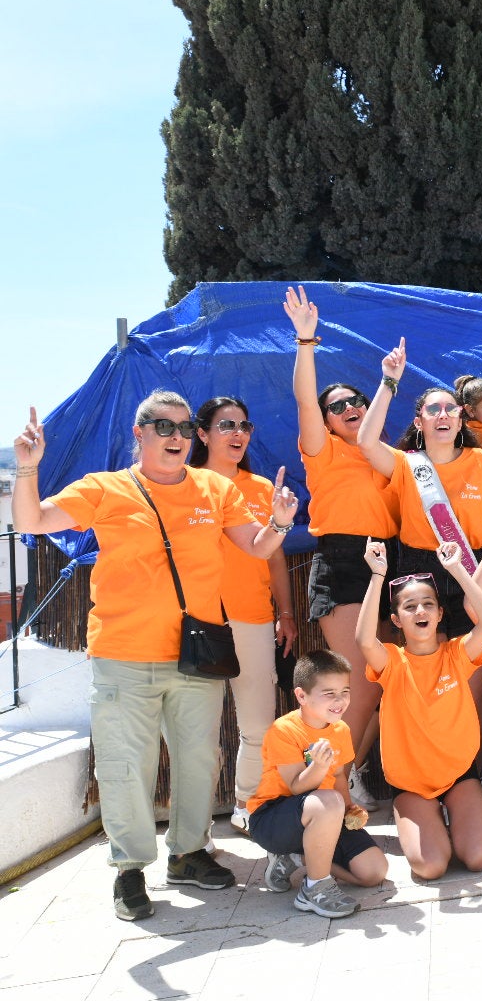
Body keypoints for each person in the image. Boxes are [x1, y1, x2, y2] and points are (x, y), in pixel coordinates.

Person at [12, 393, 298, 920]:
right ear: (138, 433)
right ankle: (129, 869)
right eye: (161, 425)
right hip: (124, 655)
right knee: (126, 768)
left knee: (198, 759)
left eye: (185, 427)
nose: (175, 435)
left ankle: (188, 854)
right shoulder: (106, 488)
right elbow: (33, 521)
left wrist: (278, 523)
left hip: (195, 654)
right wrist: (27, 469)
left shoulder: (214, 488)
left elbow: (256, 548)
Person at [357, 339, 482, 783]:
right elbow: (367, 441)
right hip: (417, 572)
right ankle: (422, 768)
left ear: (460, 418)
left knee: (472, 676)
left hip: (474, 571)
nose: (443, 415)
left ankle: (468, 770)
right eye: (433, 410)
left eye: (450, 409)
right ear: (420, 422)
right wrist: (389, 381)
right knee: (420, 675)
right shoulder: (408, 465)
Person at [286, 286, 401, 811]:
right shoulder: (323, 451)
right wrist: (306, 340)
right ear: (328, 420)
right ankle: (335, 779)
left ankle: (346, 770)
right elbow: (305, 400)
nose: (350, 408)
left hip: (391, 564)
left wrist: (388, 384)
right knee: (353, 685)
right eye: (339, 406)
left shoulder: (385, 456)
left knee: (384, 685)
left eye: (356, 401)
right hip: (343, 562)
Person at [355, 533, 482, 881]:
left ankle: (455, 814)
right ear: (397, 620)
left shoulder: (457, 653)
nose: (419, 610)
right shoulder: (391, 661)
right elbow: (364, 639)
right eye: (409, 606)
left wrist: (457, 570)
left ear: (439, 613)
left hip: (458, 775)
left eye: (427, 604)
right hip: (411, 784)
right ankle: (427, 818)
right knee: (431, 867)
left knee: (480, 858)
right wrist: (377, 574)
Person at [188, 395, 298, 835]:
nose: (238, 434)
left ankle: (246, 804)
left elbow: (274, 560)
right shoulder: (183, 484)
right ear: (202, 434)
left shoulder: (262, 488)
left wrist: (285, 613)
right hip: (197, 623)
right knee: (196, 732)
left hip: (252, 619)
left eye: (245, 426)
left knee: (258, 724)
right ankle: (193, 829)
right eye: (226, 424)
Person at [246, 650, 388, 918]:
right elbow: (297, 787)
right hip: (273, 820)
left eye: (345, 691)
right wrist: (319, 767)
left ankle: (298, 859)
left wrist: (348, 811)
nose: (340, 700)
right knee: (327, 800)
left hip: (324, 811)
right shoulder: (283, 730)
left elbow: (339, 778)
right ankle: (314, 888)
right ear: (302, 696)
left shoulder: (340, 730)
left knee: (374, 871)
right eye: (329, 693)